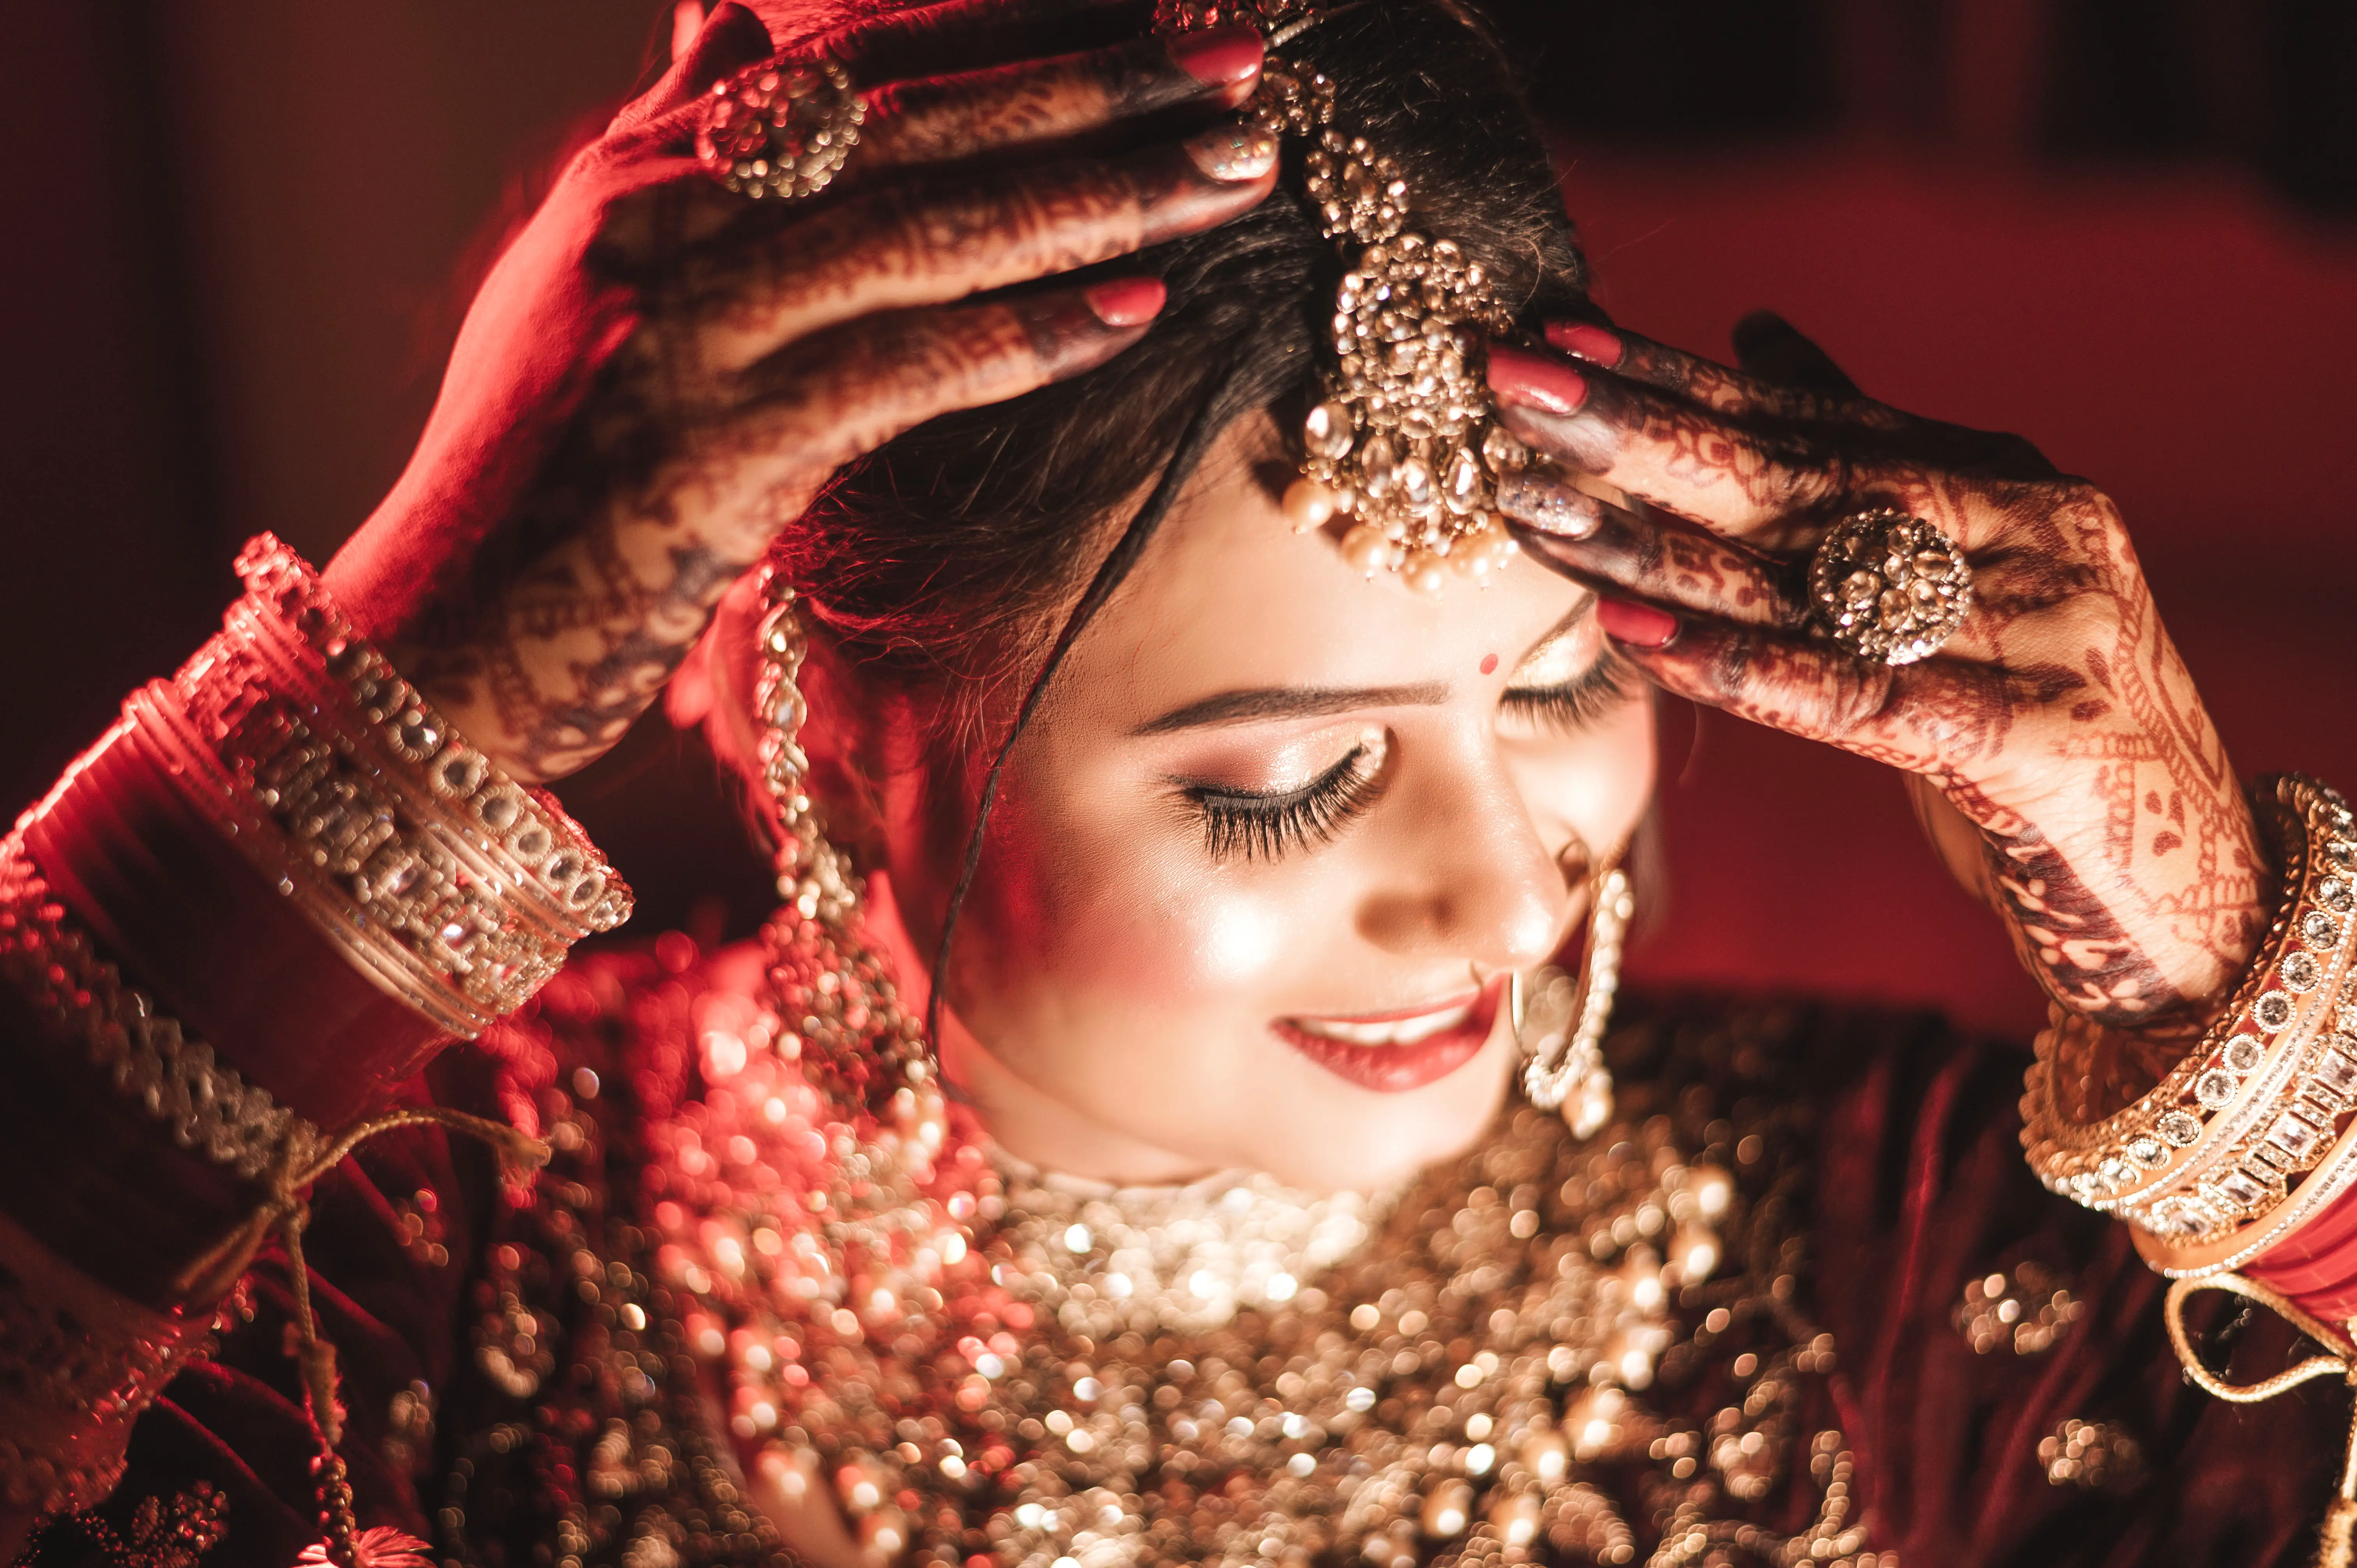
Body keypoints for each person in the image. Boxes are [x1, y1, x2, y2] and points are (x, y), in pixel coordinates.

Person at [4, 1, 2352, 1564]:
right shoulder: (403, 1276)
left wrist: (2237, 983)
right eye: (1287, 781)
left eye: (1557, 694)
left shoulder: (1908, 1266)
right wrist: (386, 680)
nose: (1498, 901)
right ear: (844, 726)